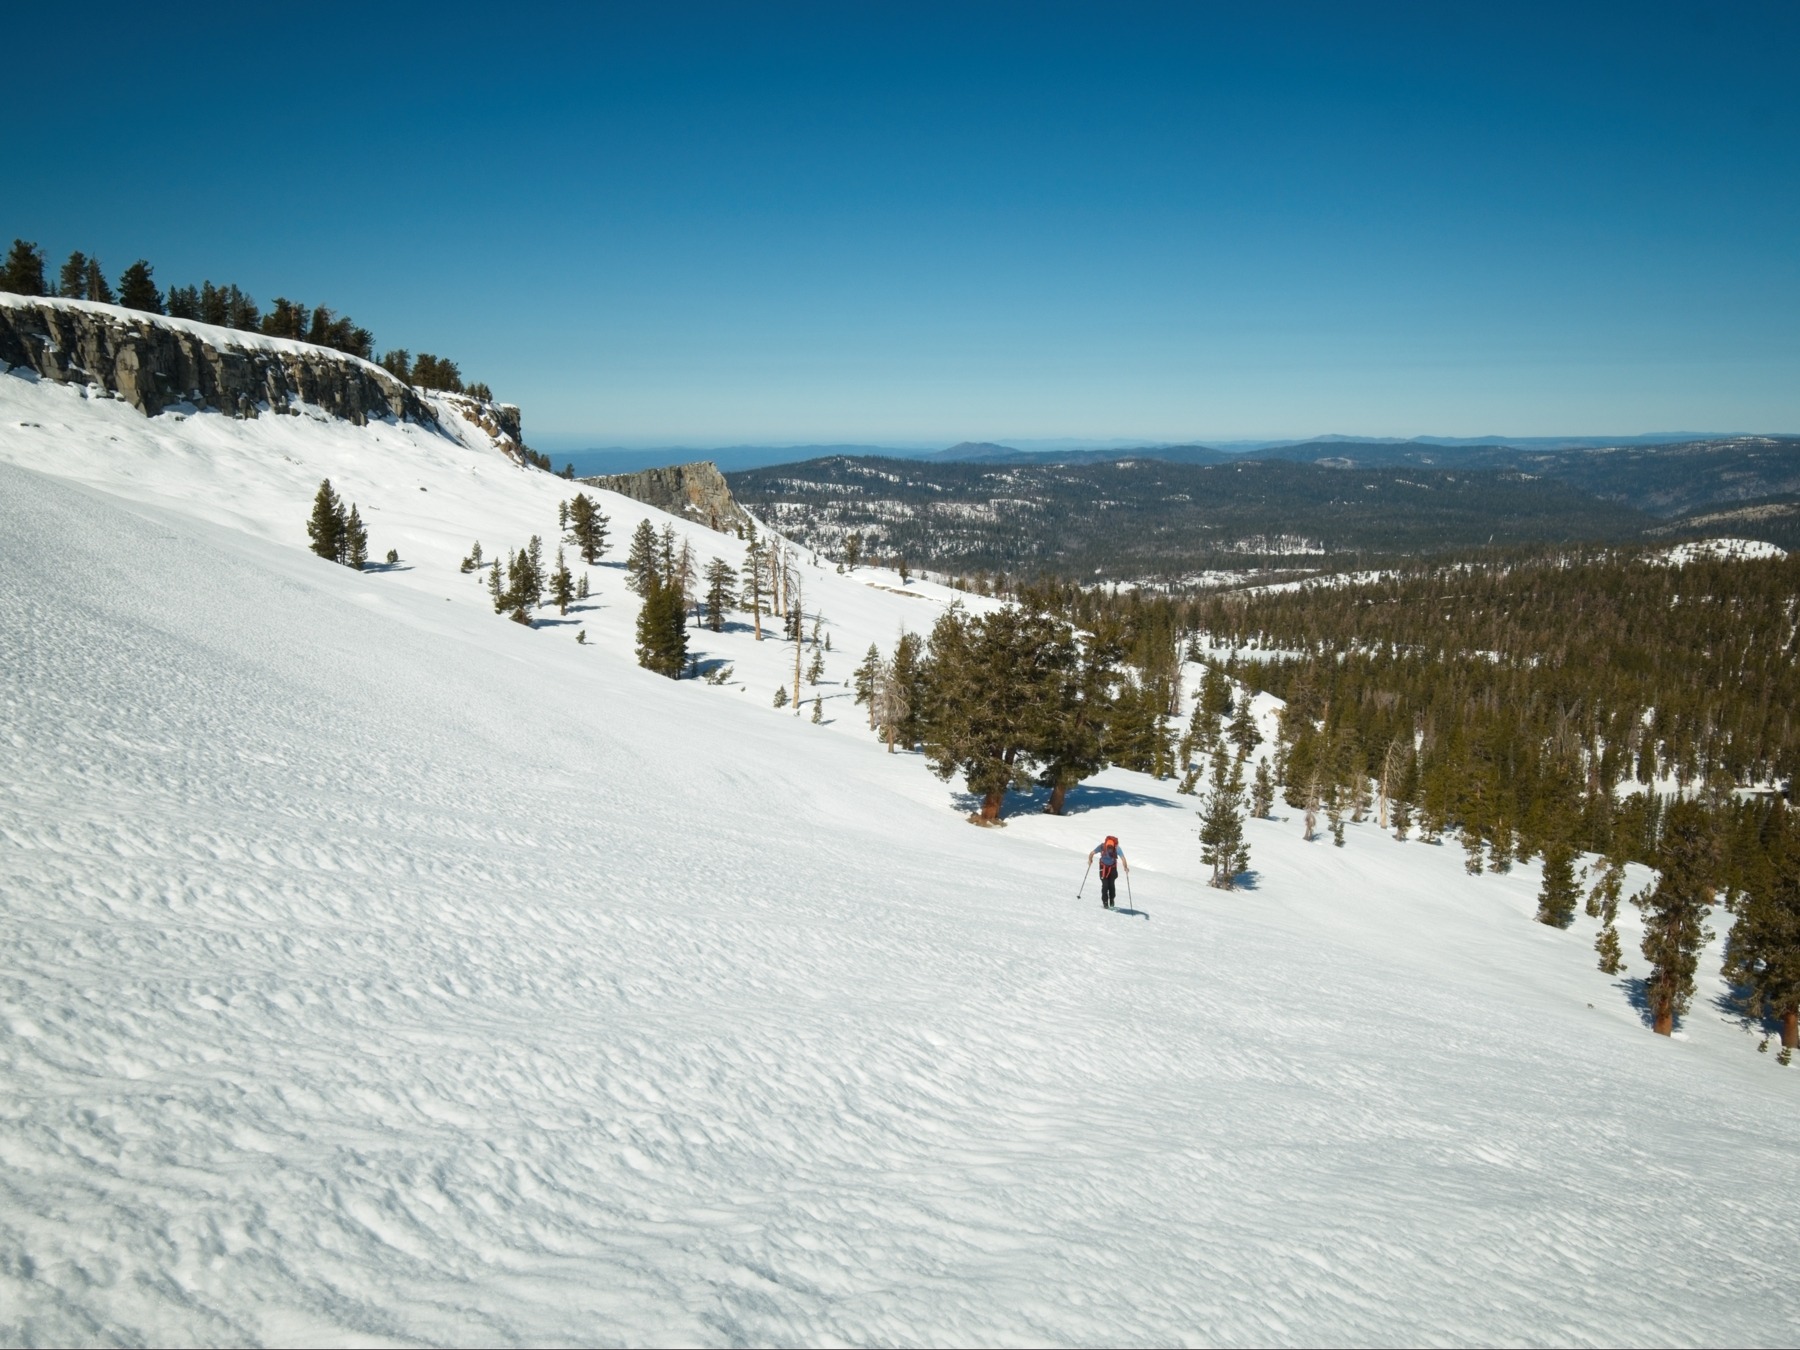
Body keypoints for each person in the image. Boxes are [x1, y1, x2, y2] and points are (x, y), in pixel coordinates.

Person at [1089, 835, 1128, 909]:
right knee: (1105, 885)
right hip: (1103, 867)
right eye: (1108, 848)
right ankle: (1105, 902)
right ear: (1106, 846)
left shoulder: (1117, 848)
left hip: (1112, 868)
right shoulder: (1102, 846)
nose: (1110, 850)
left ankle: (1112, 899)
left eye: (1111, 848)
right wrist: (1090, 860)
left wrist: (1125, 867)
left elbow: (1123, 858)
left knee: (1111, 885)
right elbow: (1091, 853)